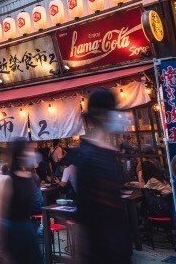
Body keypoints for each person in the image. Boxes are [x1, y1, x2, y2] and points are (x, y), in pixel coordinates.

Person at [75, 88, 132, 263]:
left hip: (117, 242)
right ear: (104, 114)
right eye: (114, 111)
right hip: (100, 247)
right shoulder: (88, 154)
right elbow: (84, 211)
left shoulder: (108, 151)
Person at [0, 138, 42, 264]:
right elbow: (1, 215)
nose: (33, 154)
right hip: (14, 231)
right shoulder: (9, 180)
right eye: (29, 150)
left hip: (29, 229)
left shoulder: (32, 177)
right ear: (20, 154)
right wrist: (2, 248)